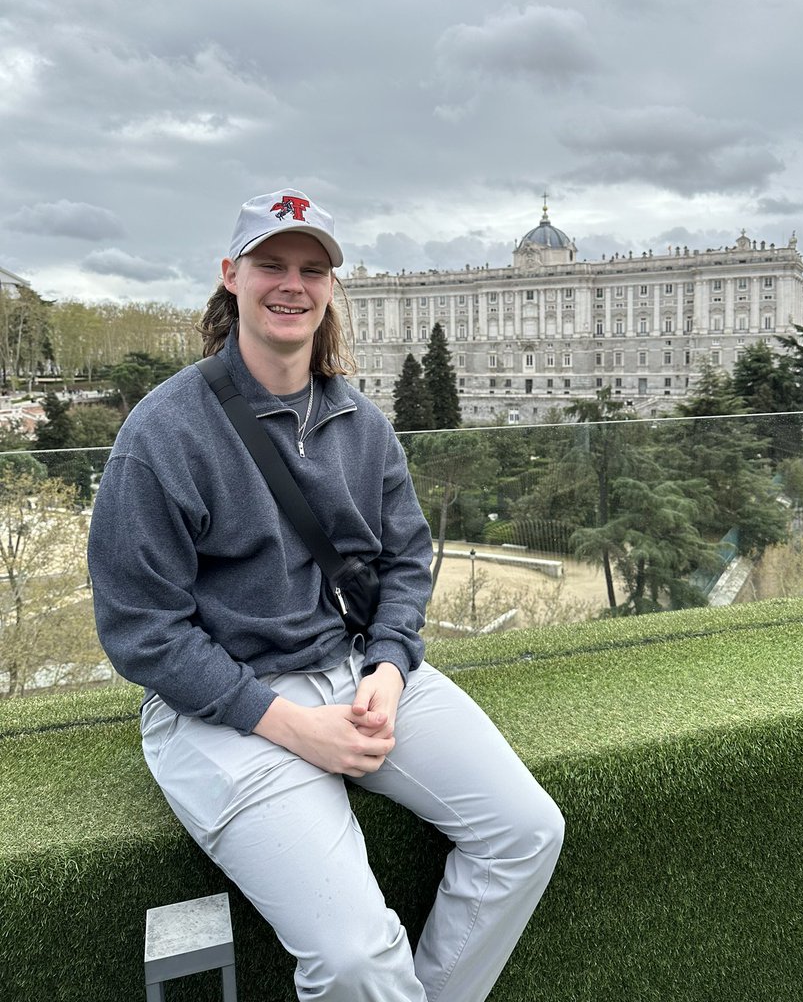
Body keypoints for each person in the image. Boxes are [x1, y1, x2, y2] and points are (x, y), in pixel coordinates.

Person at [89, 188, 564, 1002]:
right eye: (272, 263)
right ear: (230, 276)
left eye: (313, 268)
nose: (292, 283)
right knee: (353, 956)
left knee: (527, 833)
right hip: (221, 709)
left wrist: (388, 664)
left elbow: (407, 561)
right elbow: (141, 629)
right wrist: (294, 727)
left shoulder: (362, 421)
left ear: (332, 289)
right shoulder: (163, 432)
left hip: (356, 672)